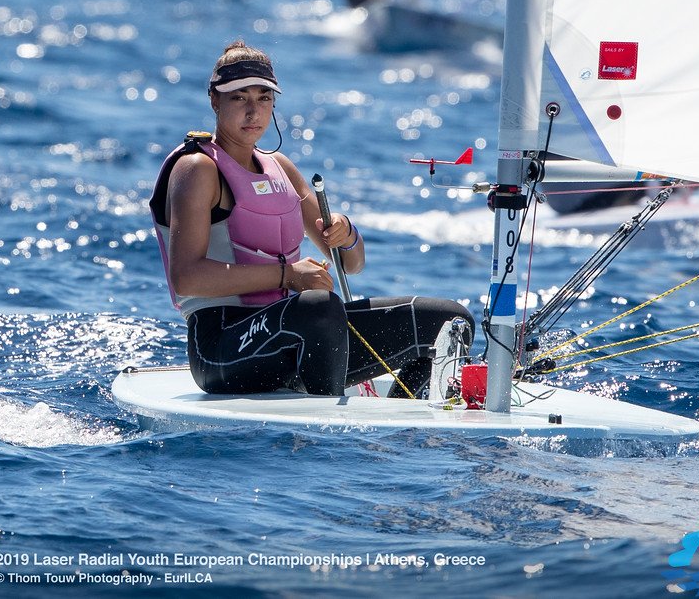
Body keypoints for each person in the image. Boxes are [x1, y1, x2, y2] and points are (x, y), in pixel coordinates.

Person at [150, 40, 473, 397]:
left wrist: (346, 233)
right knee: (319, 308)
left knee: (448, 321)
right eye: (239, 97)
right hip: (223, 346)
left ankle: (402, 427)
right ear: (215, 100)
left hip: (302, 331)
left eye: (264, 98)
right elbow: (186, 278)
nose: (253, 111)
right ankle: (328, 440)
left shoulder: (281, 168)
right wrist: (289, 275)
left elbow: (352, 263)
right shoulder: (197, 168)